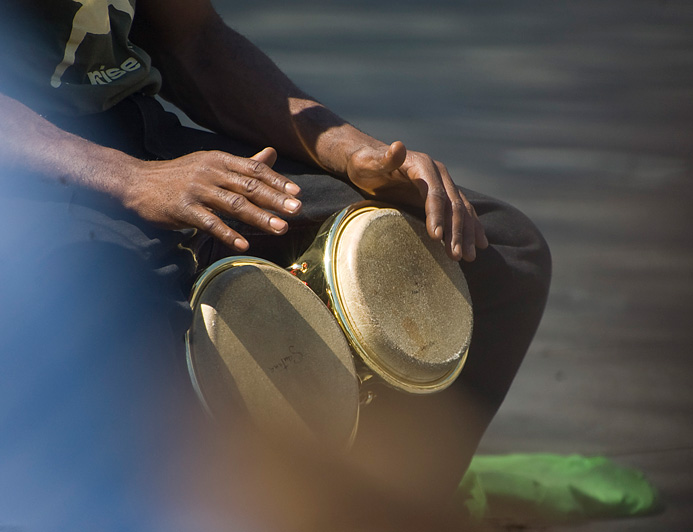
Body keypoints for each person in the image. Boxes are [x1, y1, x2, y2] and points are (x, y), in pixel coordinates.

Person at [0, 1, 551, 530]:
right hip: (32, 175)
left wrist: (352, 152)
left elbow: (192, 40)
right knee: (129, 315)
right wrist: (129, 179)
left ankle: (364, 514)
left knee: (492, 254)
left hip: (139, 131)